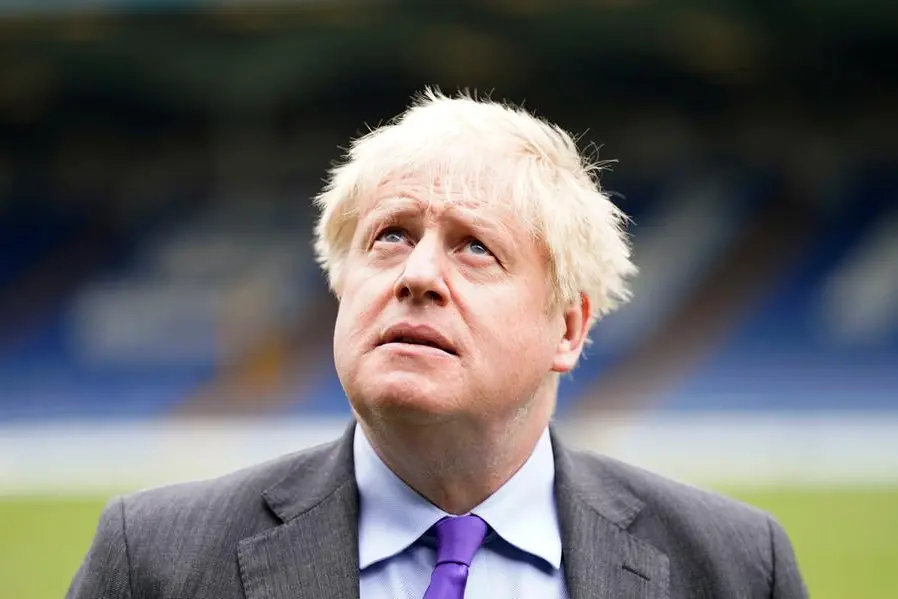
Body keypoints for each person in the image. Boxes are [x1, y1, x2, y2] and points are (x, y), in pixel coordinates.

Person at [67, 89, 808, 599]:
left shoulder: (733, 566)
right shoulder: (155, 562)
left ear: (569, 326)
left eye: (475, 247)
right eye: (390, 235)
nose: (418, 274)